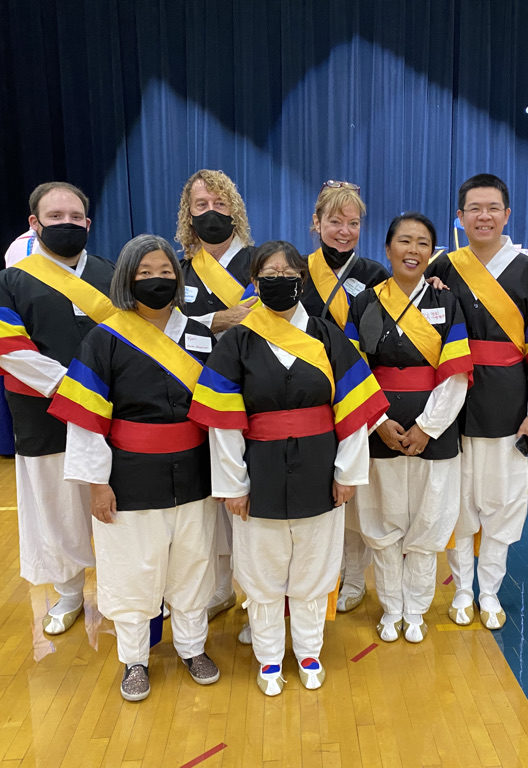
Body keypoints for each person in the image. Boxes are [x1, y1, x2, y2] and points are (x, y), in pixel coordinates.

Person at [189, 240, 388, 695]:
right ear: (255, 283)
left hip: (320, 465)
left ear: (301, 278)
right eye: (269, 273)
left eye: (288, 271)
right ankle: (268, 659)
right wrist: (232, 485)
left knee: (315, 566)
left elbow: (354, 410)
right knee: (261, 568)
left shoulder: (324, 334)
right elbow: (222, 423)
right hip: (258, 469)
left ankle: (309, 651)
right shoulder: (238, 339)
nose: (280, 279)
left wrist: (347, 473)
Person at [49, 234, 219, 701]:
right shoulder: (103, 338)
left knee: (193, 565)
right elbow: (86, 421)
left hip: (195, 474)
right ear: (127, 278)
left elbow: (222, 409)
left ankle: (192, 647)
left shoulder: (201, 335)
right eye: (146, 273)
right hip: (128, 477)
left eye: (166, 272)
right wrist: (97, 484)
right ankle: (135, 660)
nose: (157, 280)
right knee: (132, 570)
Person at [427, 174, 528, 630]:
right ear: (460, 217)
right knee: (457, 504)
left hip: (509, 405)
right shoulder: (443, 268)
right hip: (451, 403)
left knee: (503, 503)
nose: (483, 216)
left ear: (507, 214)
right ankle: (462, 591)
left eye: (492, 207)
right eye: (474, 208)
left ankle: (488, 593)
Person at [350, 213, 473, 643]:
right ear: (387, 250)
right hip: (379, 430)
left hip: (434, 436)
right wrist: (379, 422)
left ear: (431, 253)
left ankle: (416, 610)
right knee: (383, 527)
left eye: (423, 243)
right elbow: (353, 371)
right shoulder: (365, 302)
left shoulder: (447, 302)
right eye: (404, 241)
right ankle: (391, 609)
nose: (413, 250)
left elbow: (456, 373)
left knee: (428, 525)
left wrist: (427, 427)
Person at [0, 182, 115, 635]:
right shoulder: (10, 280)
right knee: (57, 507)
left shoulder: (111, 275)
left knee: (113, 509)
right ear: (34, 223)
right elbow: (9, 348)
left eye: (74, 217)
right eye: (55, 217)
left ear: (88, 223)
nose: (66, 224)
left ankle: (116, 592)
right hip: (45, 414)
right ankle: (69, 595)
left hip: (111, 415)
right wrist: (71, 387)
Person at [303, 180, 390, 615]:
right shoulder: (295, 271)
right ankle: (315, 580)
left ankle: (353, 578)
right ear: (316, 223)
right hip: (305, 398)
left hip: (355, 394)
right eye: (334, 221)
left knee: (353, 493)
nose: (343, 230)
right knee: (313, 495)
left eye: (352, 223)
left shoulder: (376, 274)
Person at [176, 169, 258, 623]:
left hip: (250, 396)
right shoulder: (179, 269)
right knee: (210, 499)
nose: (211, 213)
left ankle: (256, 594)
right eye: (201, 205)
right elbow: (166, 331)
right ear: (189, 213)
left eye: (220, 204)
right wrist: (215, 322)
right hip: (195, 397)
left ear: (235, 209)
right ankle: (221, 587)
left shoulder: (260, 263)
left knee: (246, 495)